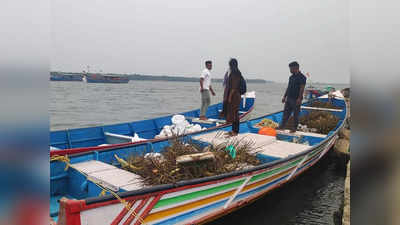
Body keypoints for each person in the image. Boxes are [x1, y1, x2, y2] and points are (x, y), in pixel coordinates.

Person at [278, 61, 307, 133]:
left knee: (295, 114)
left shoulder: (302, 77)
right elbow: (288, 87)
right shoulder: (291, 77)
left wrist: (299, 98)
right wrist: (284, 96)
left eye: (291, 68)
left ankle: (294, 128)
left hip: (296, 99)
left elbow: (302, 88)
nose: (290, 70)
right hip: (289, 98)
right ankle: (282, 126)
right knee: (286, 113)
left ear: (296, 68)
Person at [225, 58, 242, 136]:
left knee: (235, 114)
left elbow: (234, 87)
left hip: (235, 96)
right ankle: (233, 130)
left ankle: (235, 131)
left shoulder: (235, 73)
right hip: (235, 95)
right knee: (234, 113)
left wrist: (229, 97)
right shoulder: (235, 72)